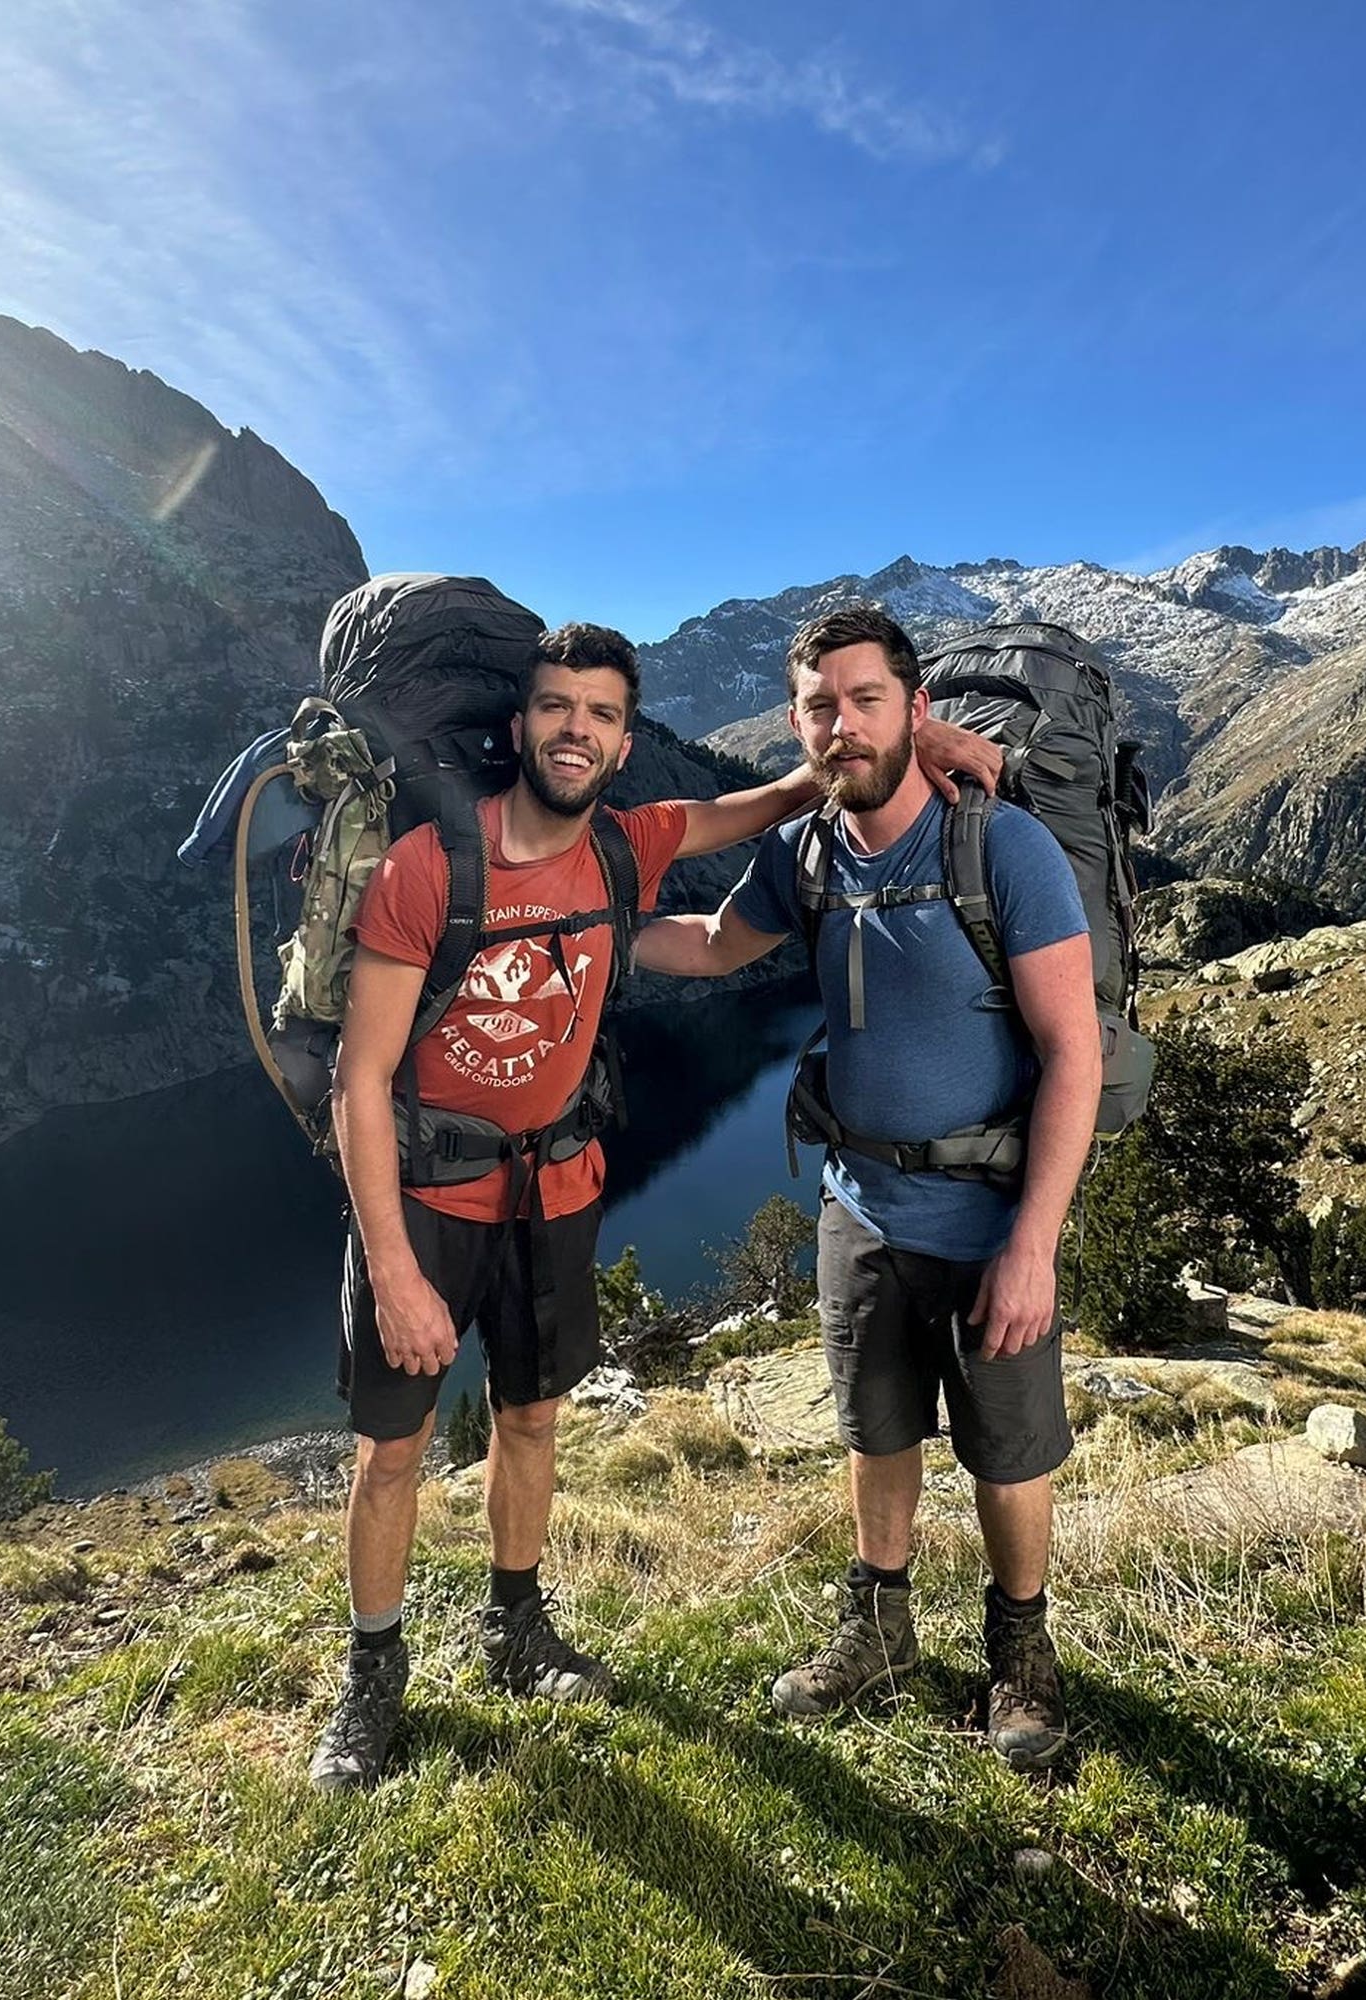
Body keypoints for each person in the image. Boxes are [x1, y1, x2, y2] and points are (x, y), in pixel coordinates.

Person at [311, 619, 999, 1792]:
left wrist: (917, 736)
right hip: (430, 1198)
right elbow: (358, 1081)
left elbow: (786, 792)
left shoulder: (630, 845)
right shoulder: (432, 868)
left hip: (560, 1188)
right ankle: (371, 1680)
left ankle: (516, 1631)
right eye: (555, 707)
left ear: (626, 743)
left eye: (602, 714)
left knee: (530, 1420)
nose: (576, 730)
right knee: (394, 1452)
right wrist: (395, 1266)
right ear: (519, 723)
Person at [634, 603, 1102, 1772]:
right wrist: (574, 924)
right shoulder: (806, 856)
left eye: (864, 699)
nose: (842, 726)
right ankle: (882, 1626)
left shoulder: (1002, 849)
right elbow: (711, 943)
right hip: (862, 1205)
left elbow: (1074, 1052)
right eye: (818, 707)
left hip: (989, 1215)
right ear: (798, 723)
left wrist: (1034, 1243)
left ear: (914, 708)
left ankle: (1021, 1654)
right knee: (876, 1427)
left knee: (1008, 1451)